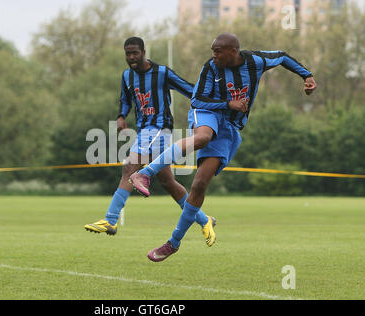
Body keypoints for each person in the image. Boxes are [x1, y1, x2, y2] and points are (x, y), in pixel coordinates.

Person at [129, 32, 317, 262]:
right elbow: (197, 100)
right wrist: (229, 103)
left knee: (199, 184)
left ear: (233, 52)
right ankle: (144, 173)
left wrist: (306, 76)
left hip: (229, 126)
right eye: (212, 51)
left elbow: (283, 57)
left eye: (218, 51)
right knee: (203, 137)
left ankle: (173, 243)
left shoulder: (255, 62)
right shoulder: (210, 68)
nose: (213, 55)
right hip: (207, 113)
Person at [85, 37, 216, 247]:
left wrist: (216, 102)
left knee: (129, 167)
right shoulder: (127, 76)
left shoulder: (162, 73)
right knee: (168, 183)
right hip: (144, 130)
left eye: (135, 53)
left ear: (143, 52)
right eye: (128, 54)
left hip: (159, 129)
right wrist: (121, 115)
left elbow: (189, 89)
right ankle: (204, 219)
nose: (131, 57)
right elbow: (125, 99)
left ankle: (110, 220)